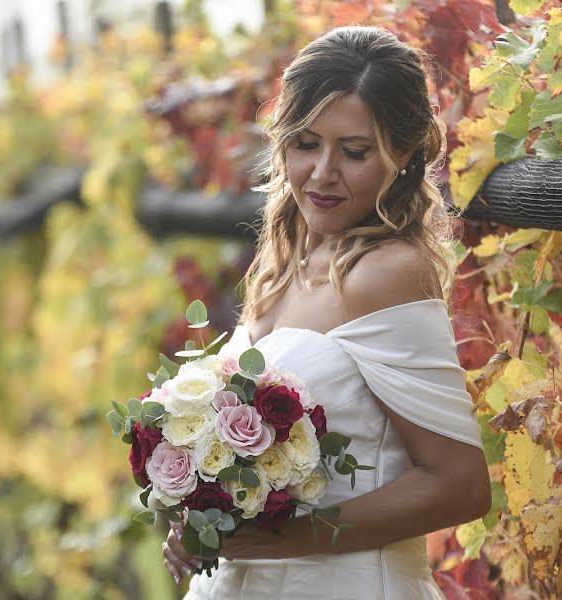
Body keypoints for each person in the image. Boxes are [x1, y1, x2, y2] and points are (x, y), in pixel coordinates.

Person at [163, 25, 490, 599]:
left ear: (405, 153)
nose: (322, 173)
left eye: (356, 151)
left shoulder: (387, 272)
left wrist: (276, 540)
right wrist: (202, 513)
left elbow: (459, 485)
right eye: (306, 144)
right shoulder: (282, 263)